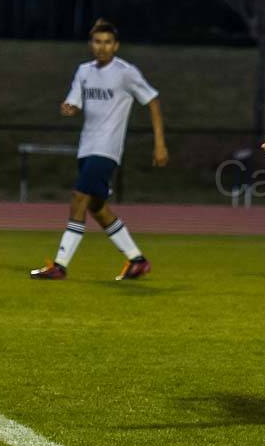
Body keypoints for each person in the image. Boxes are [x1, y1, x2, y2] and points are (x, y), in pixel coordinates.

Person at [30, 19, 168, 281]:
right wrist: (68, 108)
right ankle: (137, 260)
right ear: (91, 44)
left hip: (107, 149)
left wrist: (160, 143)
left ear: (116, 46)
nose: (102, 47)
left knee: (78, 199)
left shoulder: (125, 72)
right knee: (97, 207)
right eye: (97, 42)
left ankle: (59, 265)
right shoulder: (84, 71)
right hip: (86, 148)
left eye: (107, 42)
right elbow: (74, 102)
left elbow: (152, 101)